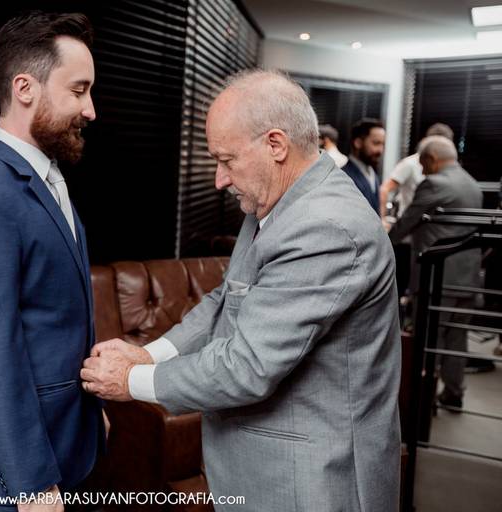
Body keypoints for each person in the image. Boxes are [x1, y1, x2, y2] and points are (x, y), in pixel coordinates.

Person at [81, 70, 401, 511]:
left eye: (227, 160)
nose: (219, 179)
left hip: (311, 483)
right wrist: (149, 355)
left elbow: (247, 366)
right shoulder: (276, 200)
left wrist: (129, 380)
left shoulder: (327, 227)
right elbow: (226, 298)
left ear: (276, 145)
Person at [0, 11, 103, 511]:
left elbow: (54, 319)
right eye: (78, 90)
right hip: (17, 476)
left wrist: (90, 415)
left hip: (68, 444)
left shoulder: (46, 176)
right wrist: (31, 481)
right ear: (25, 88)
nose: (91, 109)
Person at [387, 136, 483, 408]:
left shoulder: (434, 184)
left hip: (438, 279)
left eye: (422, 163)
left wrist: (384, 240)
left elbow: (407, 223)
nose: (422, 169)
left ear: (432, 159)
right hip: (468, 278)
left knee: (429, 338)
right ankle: (454, 393)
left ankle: (422, 400)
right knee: (456, 338)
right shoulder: (472, 184)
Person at [379, 123, 454, 219]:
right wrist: (381, 219)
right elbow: (384, 189)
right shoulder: (409, 163)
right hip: (409, 222)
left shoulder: (446, 168)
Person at [342, 118, 386, 212]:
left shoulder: (372, 173)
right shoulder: (343, 177)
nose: (380, 150)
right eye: (376, 143)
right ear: (358, 143)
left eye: (382, 144)